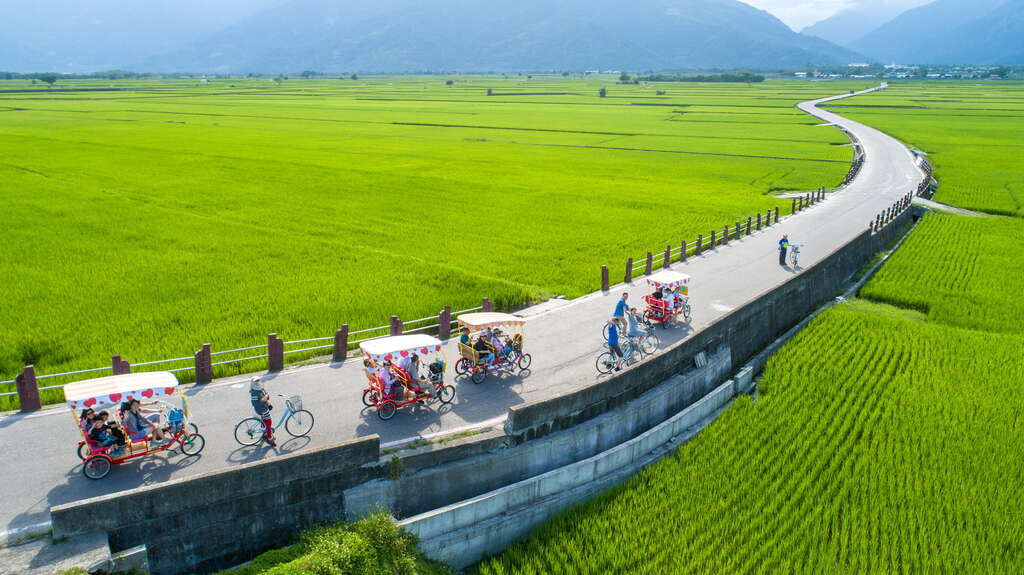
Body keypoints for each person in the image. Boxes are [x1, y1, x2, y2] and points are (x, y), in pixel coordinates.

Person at [249, 377, 276, 447]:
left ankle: (265, 433)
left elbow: (266, 396)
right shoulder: (254, 392)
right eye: (256, 381)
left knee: (265, 422)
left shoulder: (260, 388)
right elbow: (256, 403)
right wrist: (264, 399)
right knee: (269, 423)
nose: (257, 382)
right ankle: (270, 438)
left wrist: (268, 402)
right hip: (262, 410)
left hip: (264, 407)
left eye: (258, 381)